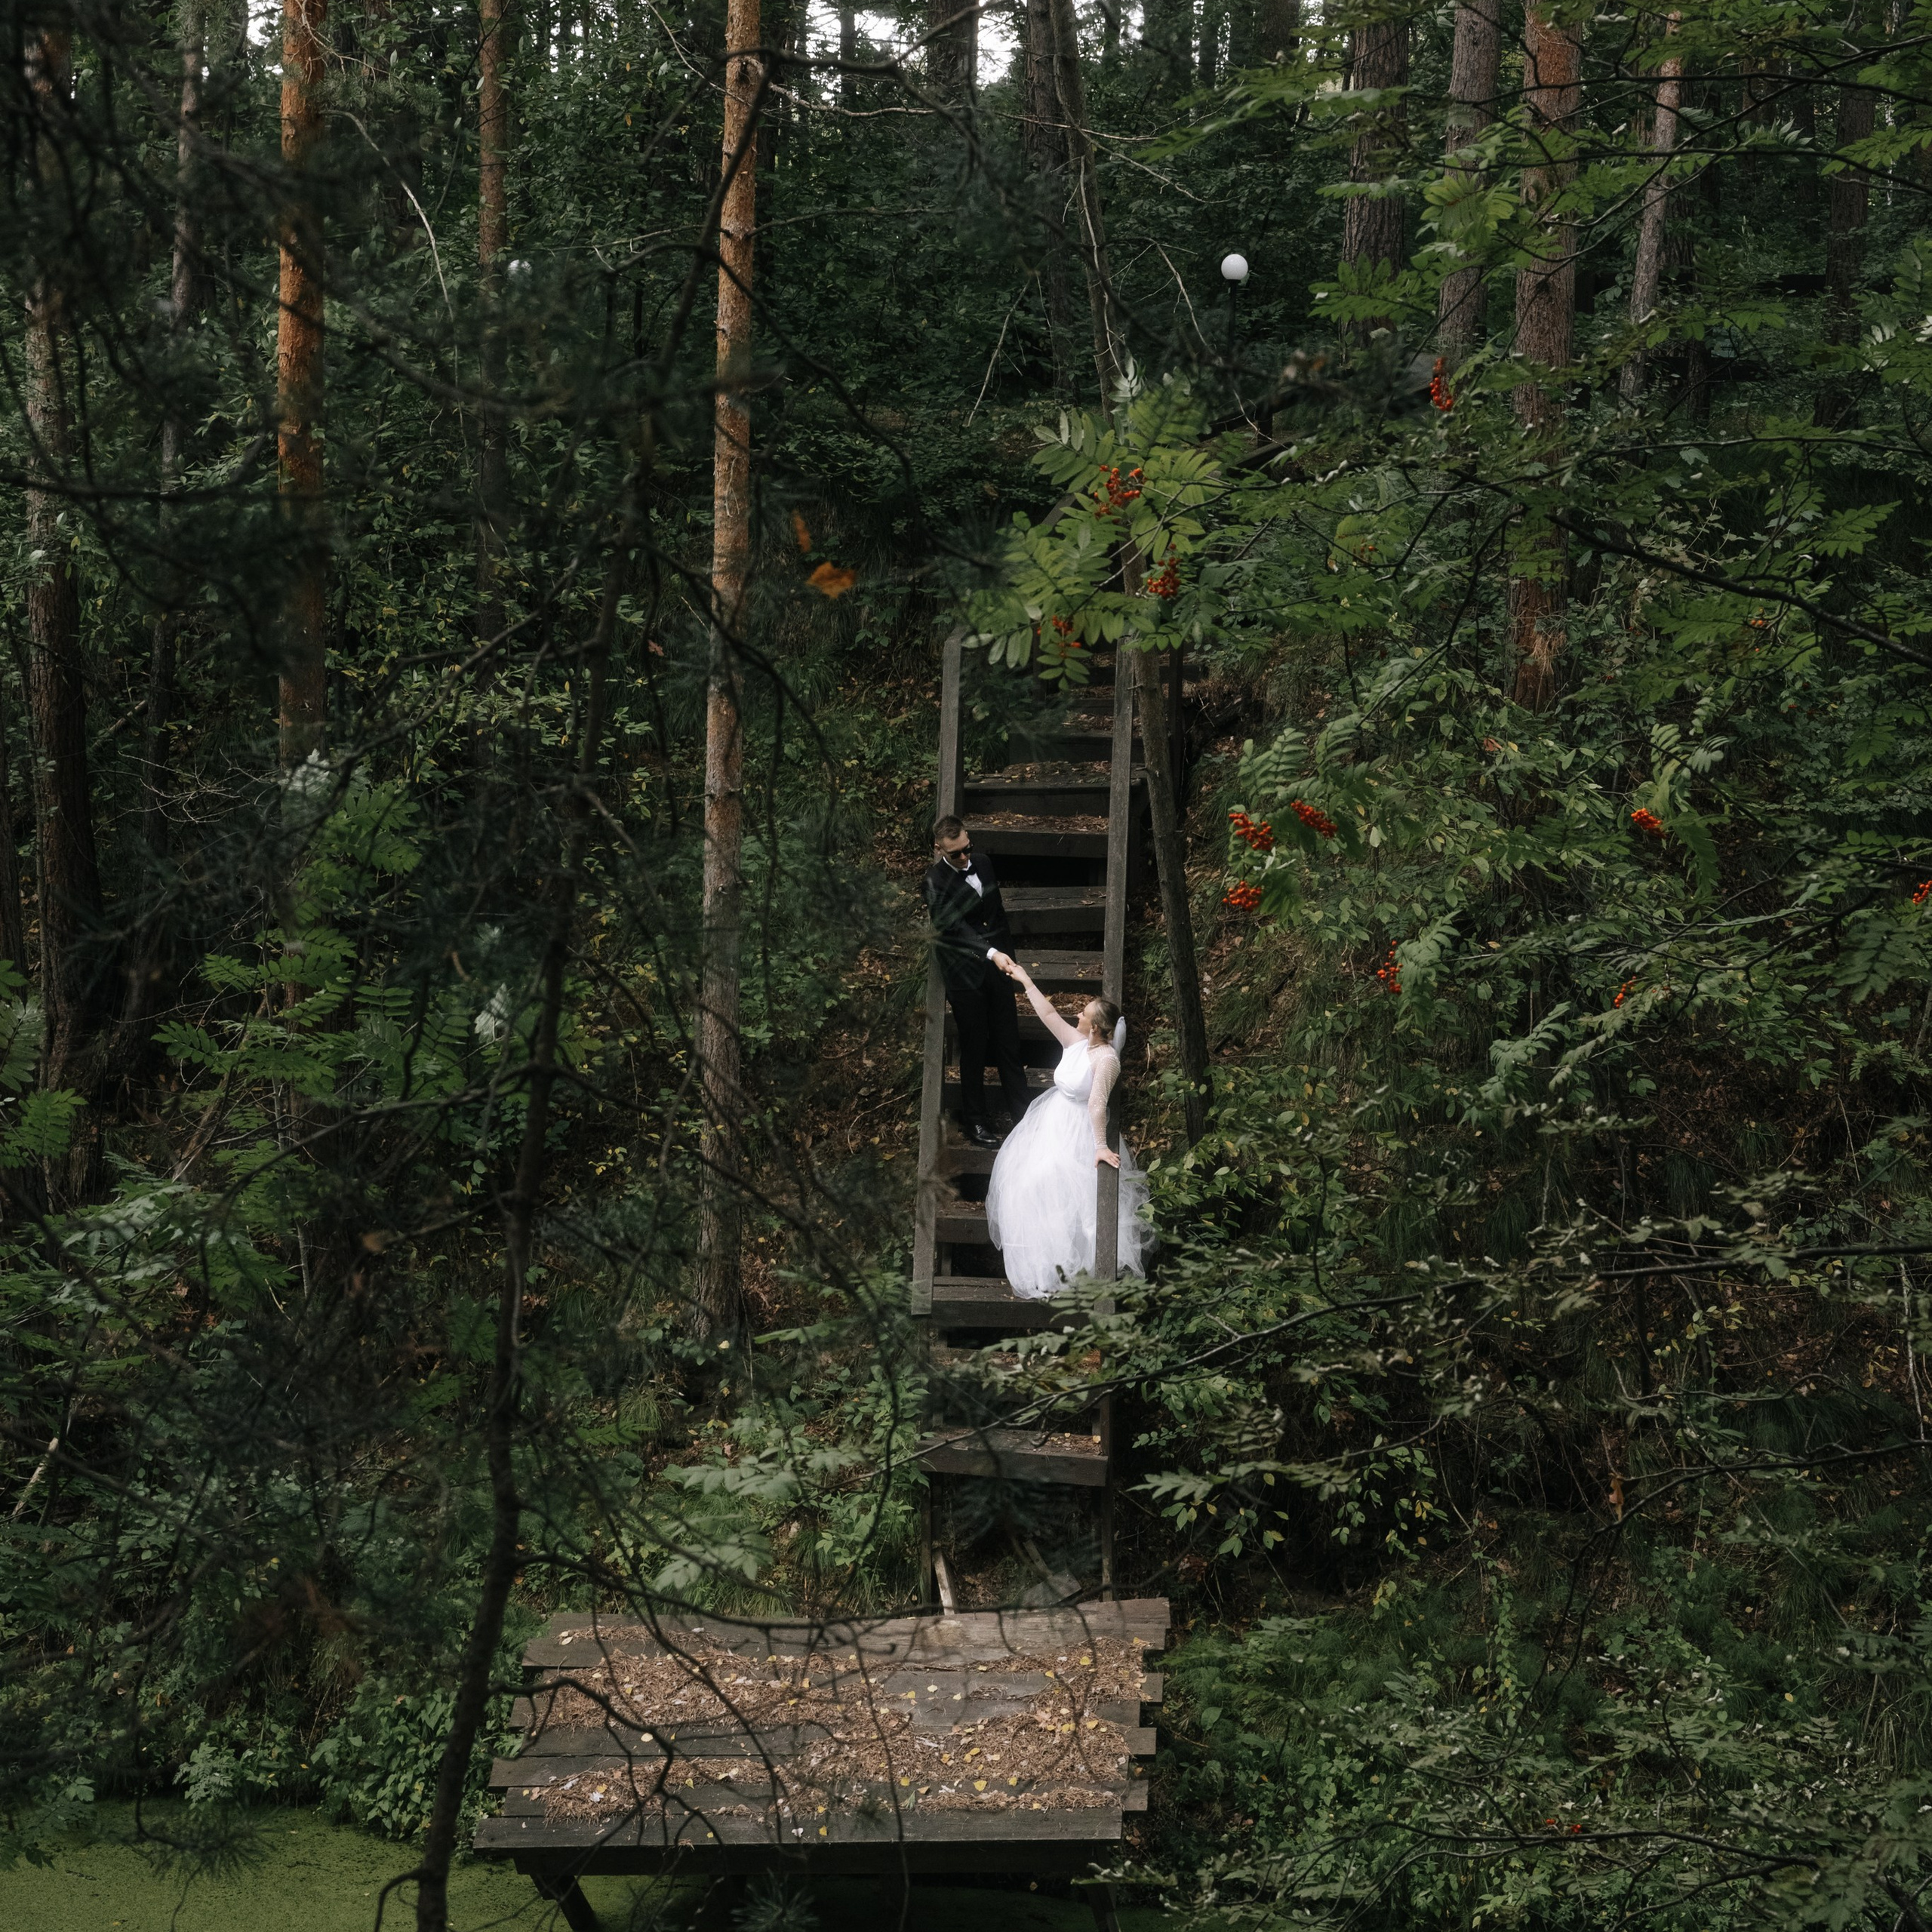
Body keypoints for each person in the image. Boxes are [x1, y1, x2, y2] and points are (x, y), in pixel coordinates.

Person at [983, 959, 1150, 1298]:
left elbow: (1096, 1104)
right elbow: (1048, 1015)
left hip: (1082, 1132)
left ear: (1096, 1028)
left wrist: (1100, 1146)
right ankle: (1052, 1267)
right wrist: (1025, 979)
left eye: (1084, 1014)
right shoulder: (1077, 1043)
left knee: (1075, 1201)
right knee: (1033, 1189)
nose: (1077, 1015)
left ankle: (1085, 1276)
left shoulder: (1106, 1060)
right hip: (1051, 1122)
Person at [924, 814, 1031, 1149]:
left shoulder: (983, 864)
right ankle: (975, 1121)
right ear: (939, 850)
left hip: (998, 967)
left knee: (1008, 1041)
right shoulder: (933, 882)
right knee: (975, 1046)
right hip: (964, 974)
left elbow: (997, 915)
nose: (965, 857)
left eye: (968, 848)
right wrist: (991, 953)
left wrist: (1007, 958)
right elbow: (955, 928)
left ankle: (1025, 1117)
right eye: (956, 854)